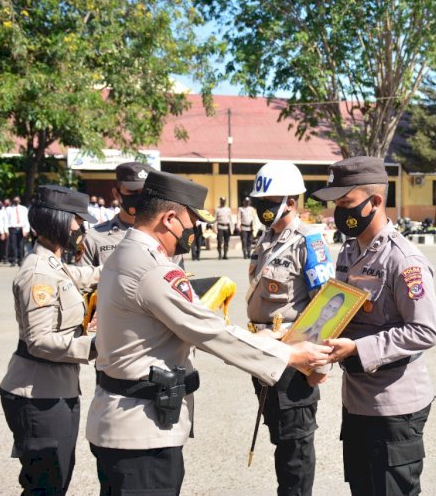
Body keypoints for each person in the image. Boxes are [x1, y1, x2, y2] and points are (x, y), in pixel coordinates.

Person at [85, 170, 331, 495]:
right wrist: (290, 353)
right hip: (140, 433)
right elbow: (211, 333)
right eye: (191, 222)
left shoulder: (123, 252)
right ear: (169, 219)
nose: (194, 231)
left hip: (123, 422)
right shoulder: (153, 267)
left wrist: (273, 343)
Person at [312, 156, 436, 496]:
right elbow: (339, 311)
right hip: (357, 402)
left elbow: (425, 330)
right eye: (337, 204)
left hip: (394, 408)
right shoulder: (349, 252)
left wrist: (359, 349)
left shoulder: (403, 259)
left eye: (346, 203)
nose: (339, 212)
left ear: (376, 201)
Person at [0, 185, 101, 495]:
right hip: (37, 395)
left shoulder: (54, 264)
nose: (82, 228)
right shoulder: (38, 273)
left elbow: (86, 276)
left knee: (57, 479)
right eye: (77, 220)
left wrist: (127, 271)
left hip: (55, 390)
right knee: (46, 485)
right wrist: (96, 346)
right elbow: (38, 341)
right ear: (58, 220)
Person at [247, 161, 334, 496]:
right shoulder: (266, 240)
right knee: (280, 439)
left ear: (291, 202)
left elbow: (325, 307)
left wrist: (319, 367)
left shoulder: (307, 242)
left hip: (293, 362)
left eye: (269, 202)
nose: (261, 209)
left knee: (295, 449)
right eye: (259, 202)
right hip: (264, 354)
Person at [78, 162, 186, 268]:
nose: (140, 197)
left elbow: (179, 281)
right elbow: (82, 281)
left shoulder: (168, 235)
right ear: (116, 194)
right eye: (133, 191)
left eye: (146, 192)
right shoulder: (95, 237)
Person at [5, 195, 30, 266]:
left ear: (20, 201)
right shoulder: (8, 209)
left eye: (17, 200)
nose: (16, 201)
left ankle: (20, 260)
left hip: (21, 229)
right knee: (13, 245)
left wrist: (26, 230)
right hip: (12, 228)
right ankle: (13, 260)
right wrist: (6, 230)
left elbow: (26, 220)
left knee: (21, 245)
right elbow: (6, 220)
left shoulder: (24, 209)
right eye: (15, 200)